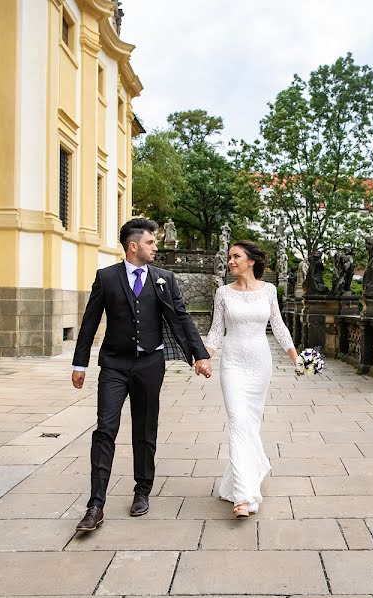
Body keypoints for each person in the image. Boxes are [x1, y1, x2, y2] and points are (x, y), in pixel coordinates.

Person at [71, 218, 212, 533]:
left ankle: (142, 490)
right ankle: (96, 505)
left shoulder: (164, 279)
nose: (156, 246)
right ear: (133, 246)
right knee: (105, 429)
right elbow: (90, 321)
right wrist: (80, 363)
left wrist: (199, 354)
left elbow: (181, 318)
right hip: (114, 366)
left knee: (145, 429)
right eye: (151, 242)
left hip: (150, 364)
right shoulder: (106, 278)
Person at [204, 241, 298, 518]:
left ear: (251, 261)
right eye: (230, 256)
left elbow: (278, 326)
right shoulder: (223, 293)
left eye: (236, 257)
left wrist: (296, 358)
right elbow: (215, 331)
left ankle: (242, 478)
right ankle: (244, 496)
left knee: (250, 424)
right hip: (232, 363)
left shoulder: (268, 290)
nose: (230, 261)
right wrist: (203, 356)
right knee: (237, 422)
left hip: (260, 365)